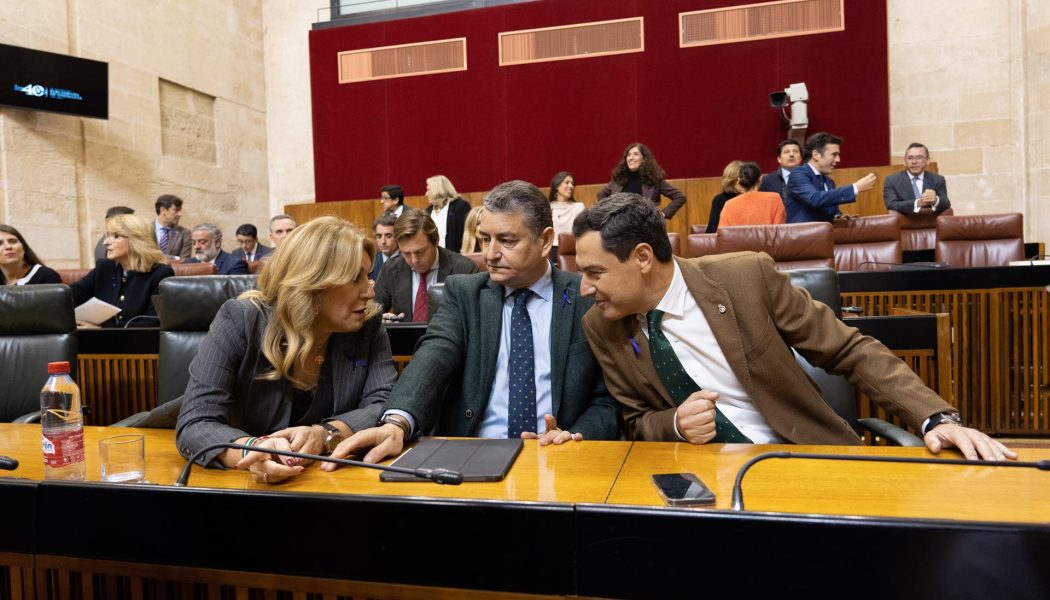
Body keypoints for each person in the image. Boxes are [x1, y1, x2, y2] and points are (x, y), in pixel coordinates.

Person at [572, 193, 1014, 461]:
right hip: (706, 481)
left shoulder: (744, 277)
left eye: (595, 272)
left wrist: (934, 416)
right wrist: (675, 424)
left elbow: (849, 350)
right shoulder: (602, 326)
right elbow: (636, 421)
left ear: (643, 259)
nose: (585, 289)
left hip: (804, 456)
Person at [327, 180, 620, 467]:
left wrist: (574, 435)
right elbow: (433, 358)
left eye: (506, 240)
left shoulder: (586, 298)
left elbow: (606, 400)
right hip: (471, 457)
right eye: (484, 239)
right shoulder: (464, 293)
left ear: (545, 241)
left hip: (561, 461)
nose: (490, 254)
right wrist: (397, 422)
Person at [176, 216, 397, 484]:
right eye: (354, 279)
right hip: (242, 488)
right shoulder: (242, 319)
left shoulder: (368, 324)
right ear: (313, 283)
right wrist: (251, 451)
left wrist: (326, 434)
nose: (369, 293)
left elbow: (384, 403)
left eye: (368, 276)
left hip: (331, 484)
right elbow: (196, 422)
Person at [373, 209, 478, 322]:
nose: (414, 260)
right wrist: (381, 320)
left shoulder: (465, 270)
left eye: (420, 252)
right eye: (406, 253)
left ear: (436, 241)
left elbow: (474, 320)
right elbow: (372, 312)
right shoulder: (390, 269)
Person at [71, 214, 174, 327]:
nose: (105, 242)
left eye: (115, 236)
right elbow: (70, 295)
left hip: (138, 342)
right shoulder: (105, 267)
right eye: (107, 236)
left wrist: (101, 330)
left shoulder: (161, 273)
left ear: (136, 240)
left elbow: (153, 322)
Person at [785, 132, 877, 223]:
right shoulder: (798, 174)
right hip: (803, 236)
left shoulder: (829, 182)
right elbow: (814, 199)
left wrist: (838, 217)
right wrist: (855, 187)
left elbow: (828, 210)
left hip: (826, 235)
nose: (838, 160)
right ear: (816, 155)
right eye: (834, 154)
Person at [597, 142, 687, 219]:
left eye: (636, 154)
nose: (631, 158)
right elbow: (601, 194)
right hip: (619, 227)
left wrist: (663, 214)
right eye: (628, 155)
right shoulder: (618, 179)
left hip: (644, 227)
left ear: (644, 159)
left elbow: (680, 197)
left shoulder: (654, 179)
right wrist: (609, 211)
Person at [883, 143, 952, 214]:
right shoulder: (892, 181)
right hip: (904, 223)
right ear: (904, 162)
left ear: (927, 161)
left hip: (930, 221)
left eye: (919, 157)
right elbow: (891, 205)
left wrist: (935, 200)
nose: (914, 162)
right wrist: (917, 203)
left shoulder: (937, 179)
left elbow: (946, 203)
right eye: (910, 158)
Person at [718, 162, 787, 227]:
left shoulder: (729, 205)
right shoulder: (774, 199)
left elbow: (723, 235)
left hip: (738, 240)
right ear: (760, 179)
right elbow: (779, 232)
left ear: (739, 180)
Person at [424, 175, 471, 252]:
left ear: (438, 189)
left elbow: (468, 234)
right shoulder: (427, 211)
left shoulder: (461, 207)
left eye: (428, 190)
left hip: (457, 256)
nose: (426, 194)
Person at [184, 223, 249, 275]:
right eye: (193, 242)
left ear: (217, 243)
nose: (196, 246)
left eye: (202, 242)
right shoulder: (187, 264)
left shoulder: (235, 265)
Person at [548, 170, 584, 260]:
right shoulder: (548, 207)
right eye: (567, 183)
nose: (571, 186)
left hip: (572, 249)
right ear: (557, 186)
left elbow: (581, 231)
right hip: (551, 249)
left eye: (572, 183)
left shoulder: (578, 207)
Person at [704, 160, 742, 232]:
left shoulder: (750, 198)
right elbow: (712, 229)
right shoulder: (720, 200)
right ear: (732, 180)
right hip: (727, 241)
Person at [153, 194, 192, 260]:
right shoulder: (145, 229)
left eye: (180, 210)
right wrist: (175, 258)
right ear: (163, 210)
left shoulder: (185, 234)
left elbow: (184, 261)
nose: (180, 214)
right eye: (176, 210)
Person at [370, 213, 399, 282]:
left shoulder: (409, 260)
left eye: (388, 236)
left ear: (398, 236)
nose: (383, 242)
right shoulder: (371, 262)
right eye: (379, 236)